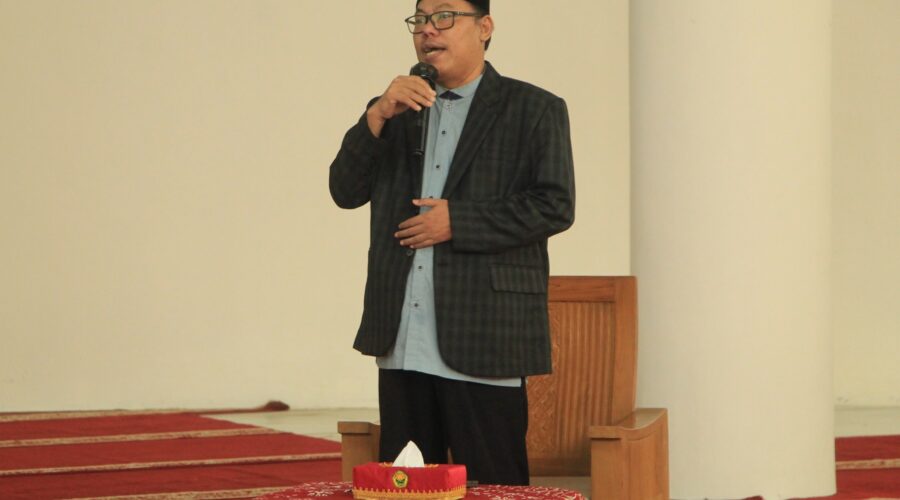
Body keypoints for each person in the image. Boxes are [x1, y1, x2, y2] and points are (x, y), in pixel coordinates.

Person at [329, 0, 575, 486]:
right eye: (420, 19)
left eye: (444, 17)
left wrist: (457, 221)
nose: (428, 30)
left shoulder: (533, 109)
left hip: (484, 336)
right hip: (403, 336)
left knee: (495, 488)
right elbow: (344, 190)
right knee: (406, 489)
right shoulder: (395, 110)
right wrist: (376, 115)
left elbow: (554, 205)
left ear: (484, 27)